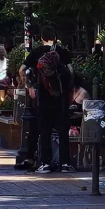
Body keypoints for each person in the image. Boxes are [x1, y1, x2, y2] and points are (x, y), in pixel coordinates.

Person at [20, 26, 74, 174]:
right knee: (63, 131)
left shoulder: (36, 52)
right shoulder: (62, 52)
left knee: (45, 131)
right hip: (61, 97)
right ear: (54, 37)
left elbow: (22, 70)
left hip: (43, 97)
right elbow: (71, 72)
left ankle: (45, 163)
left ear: (42, 38)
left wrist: (29, 87)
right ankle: (65, 163)